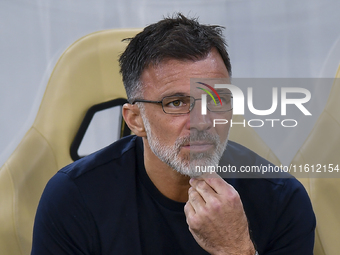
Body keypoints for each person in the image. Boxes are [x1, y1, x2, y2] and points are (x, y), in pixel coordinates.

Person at [31, 13, 315, 255]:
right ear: (135, 120)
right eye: (176, 103)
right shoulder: (74, 198)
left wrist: (234, 247)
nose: (202, 121)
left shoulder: (283, 200)